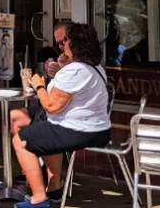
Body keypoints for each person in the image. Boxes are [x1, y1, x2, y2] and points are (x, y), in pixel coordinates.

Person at [10, 22, 111, 208]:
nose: (62, 46)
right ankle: (48, 187)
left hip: (79, 129)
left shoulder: (77, 70)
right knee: (31, 123)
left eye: (65, 41)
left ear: (76, 43)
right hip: (96, 128)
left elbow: (51, 106)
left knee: (20, 140)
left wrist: (38, 85)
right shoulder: (94, 67)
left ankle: (39, 198)